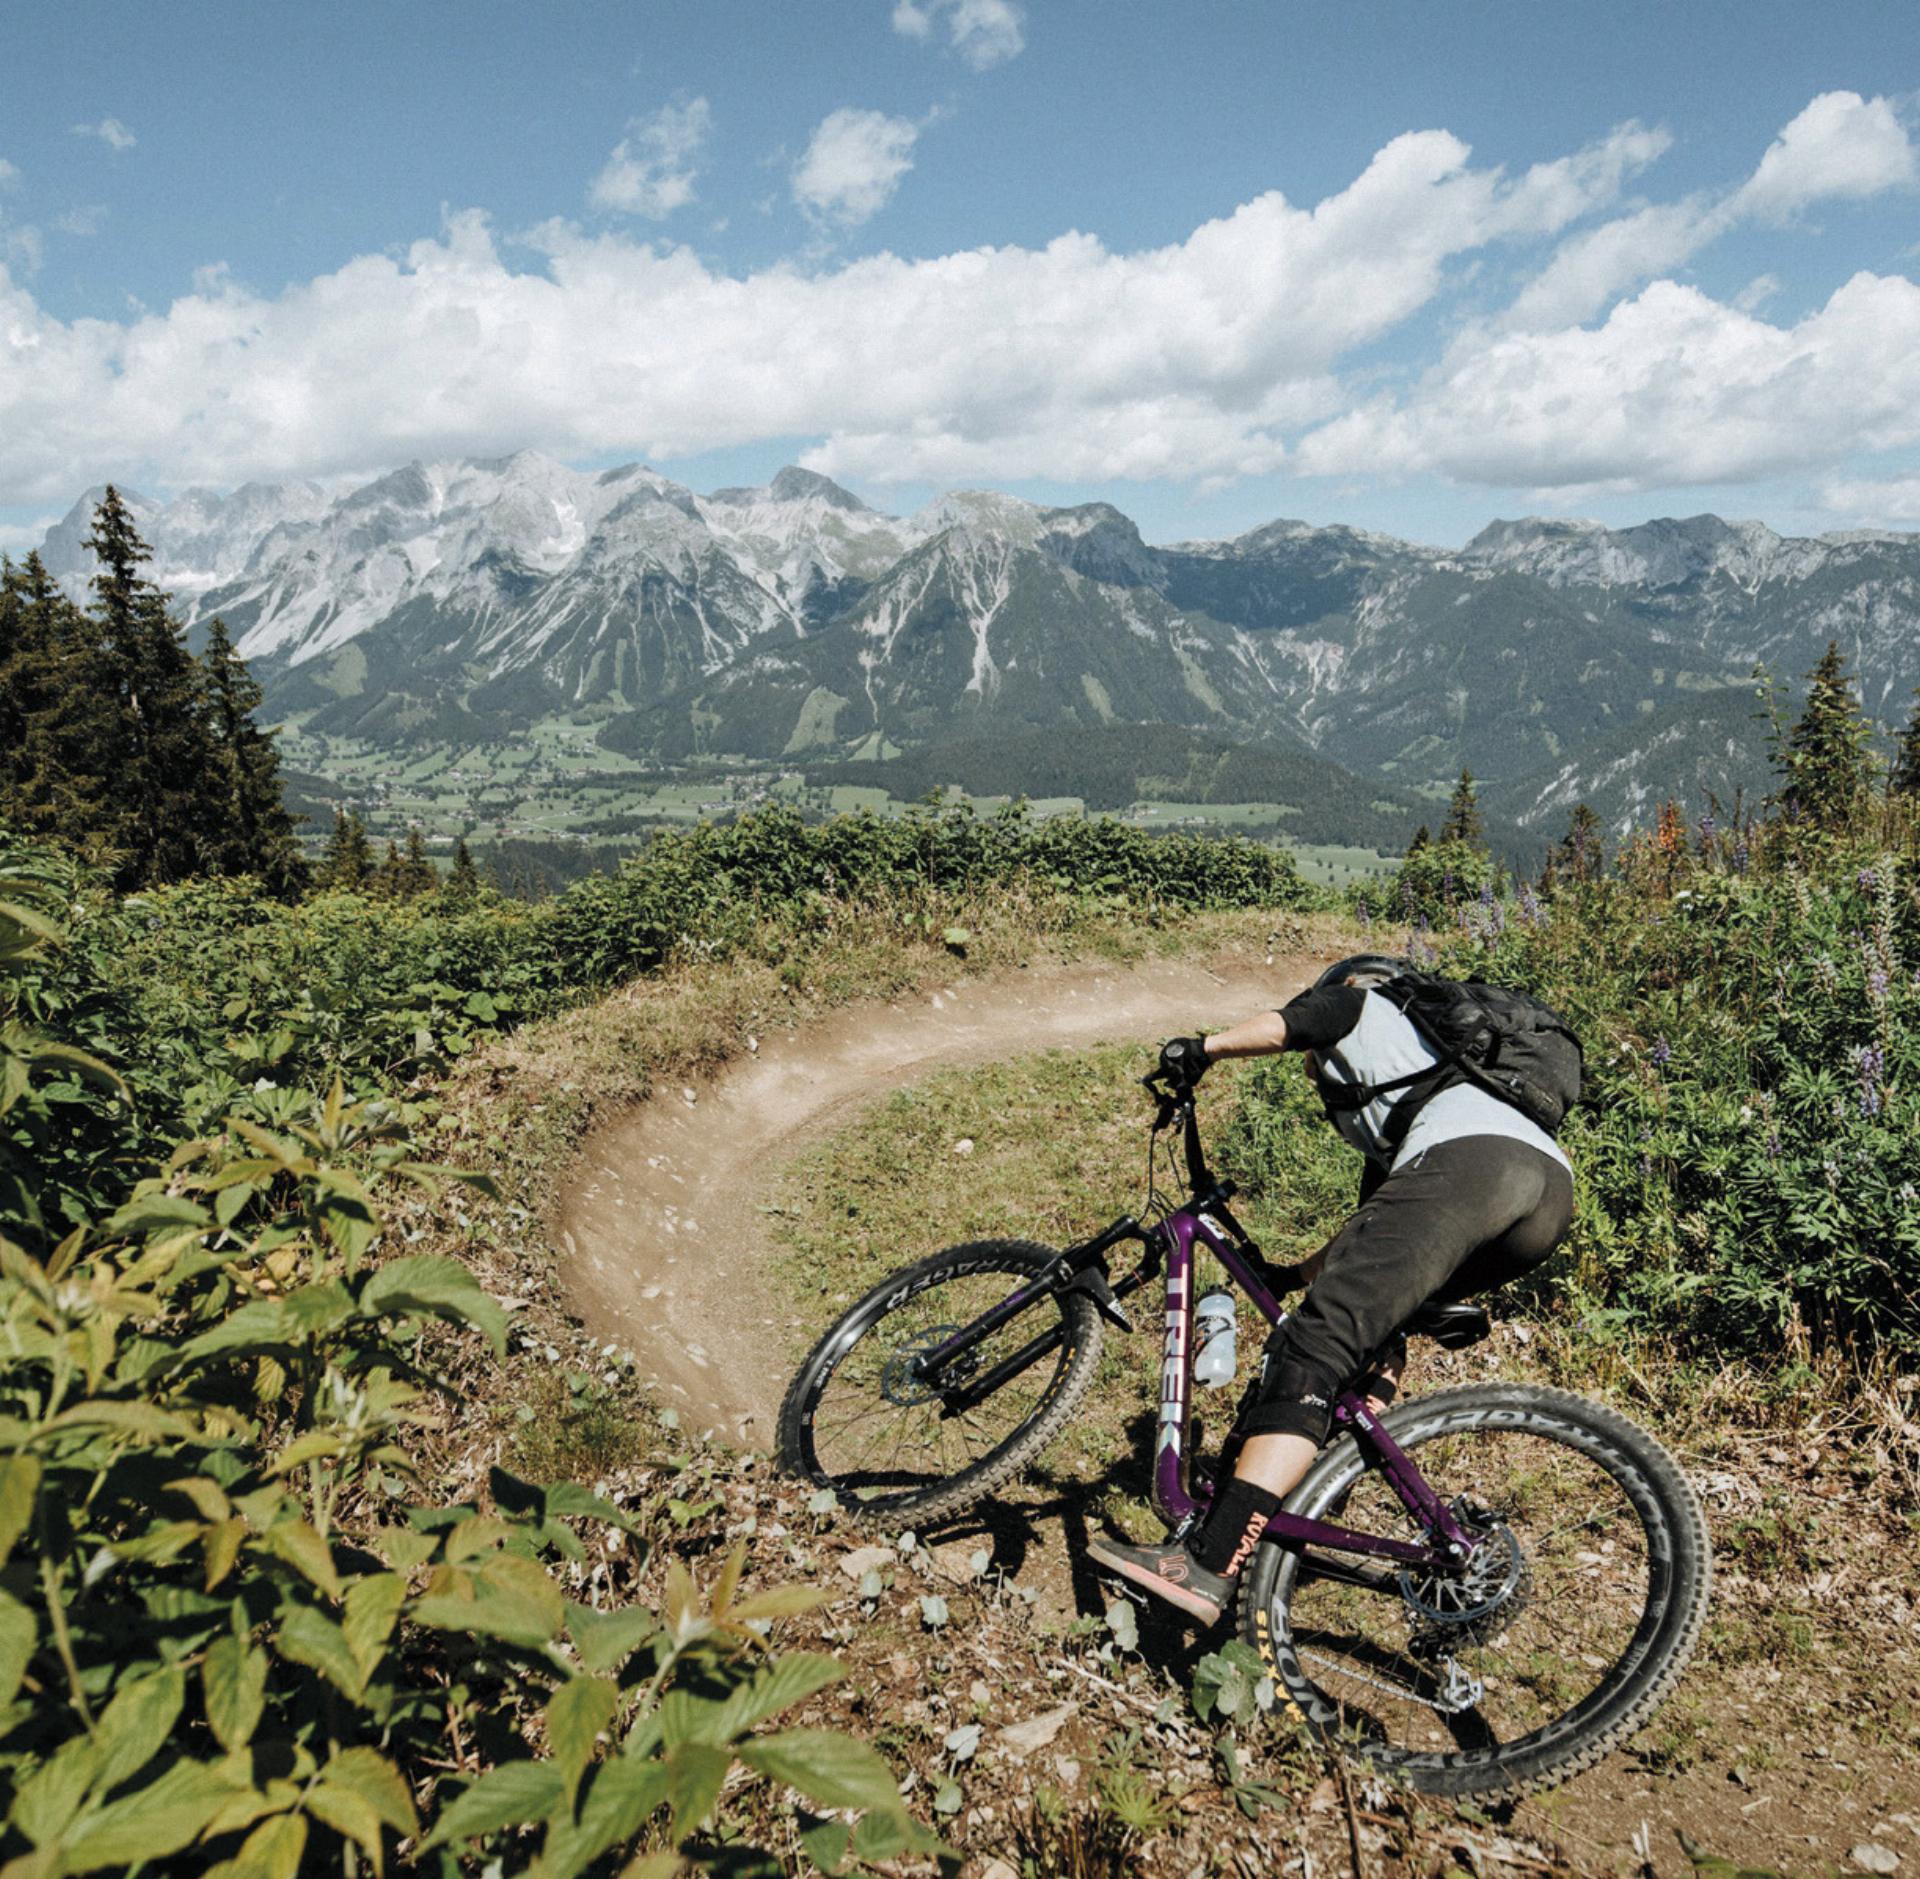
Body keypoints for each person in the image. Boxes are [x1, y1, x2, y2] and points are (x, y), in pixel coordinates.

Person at [1085, 954, 1575, 1624]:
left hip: (1473, 1168)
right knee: (1372, 1336)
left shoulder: (1364, 1006)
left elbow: (1294, 1025)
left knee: (1313, 1344)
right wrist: (1291, 1275)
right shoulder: (1419, 1099)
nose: (1311, 1065)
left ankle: (1207, 1562)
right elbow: (1364, 1238)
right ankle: (1311, 1495)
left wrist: (1202, 1048)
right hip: (1544, 1194)